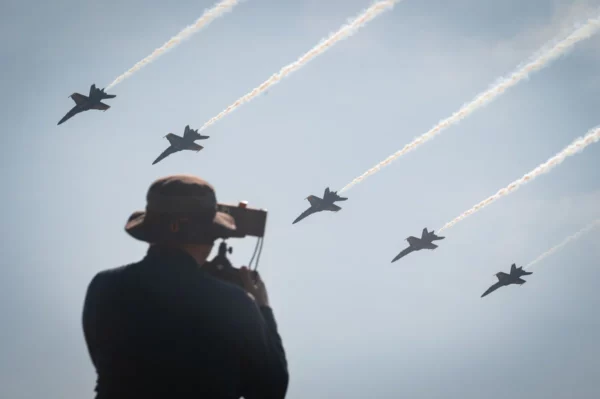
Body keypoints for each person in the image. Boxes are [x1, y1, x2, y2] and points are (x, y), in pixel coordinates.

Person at [82, 175, 289, 399]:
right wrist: (262, 308)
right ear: (209, 235)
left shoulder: (104, 286)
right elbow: (270, 389)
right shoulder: (233, 304)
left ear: (151, 231)